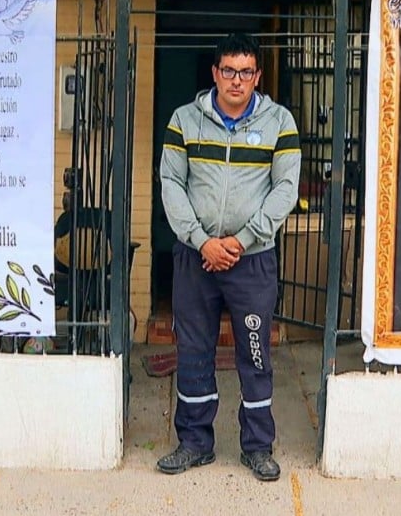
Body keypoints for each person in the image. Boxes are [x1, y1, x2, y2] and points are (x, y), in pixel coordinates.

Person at [156, 33, 300, 482]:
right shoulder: (184, 121)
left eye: (246, 72)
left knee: (254, 353)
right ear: (215, 73)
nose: (237, 80)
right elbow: (171, 184)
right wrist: (203, 241)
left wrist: (243, 240)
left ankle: (257, 446)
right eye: (229, 71)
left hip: (252, 260)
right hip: (195, 257)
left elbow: (285, 189)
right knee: (193, 350)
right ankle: (194, 443)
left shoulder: (280, 123)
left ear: (258, 76)